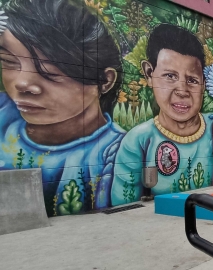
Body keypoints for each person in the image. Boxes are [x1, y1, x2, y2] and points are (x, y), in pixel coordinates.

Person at [0, 0, 124, 215]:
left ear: (105, 81)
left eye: (49, 71)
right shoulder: (3, 111)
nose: (22, 84)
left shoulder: (114, 154)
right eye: (9, 62)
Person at [111, 24, 213, 205]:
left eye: (192, 80)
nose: (182, 90)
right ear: (149, 73)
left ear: (203, 83)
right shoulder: (139, 139)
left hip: (207, 210)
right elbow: (125, 200)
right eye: (170, 76)